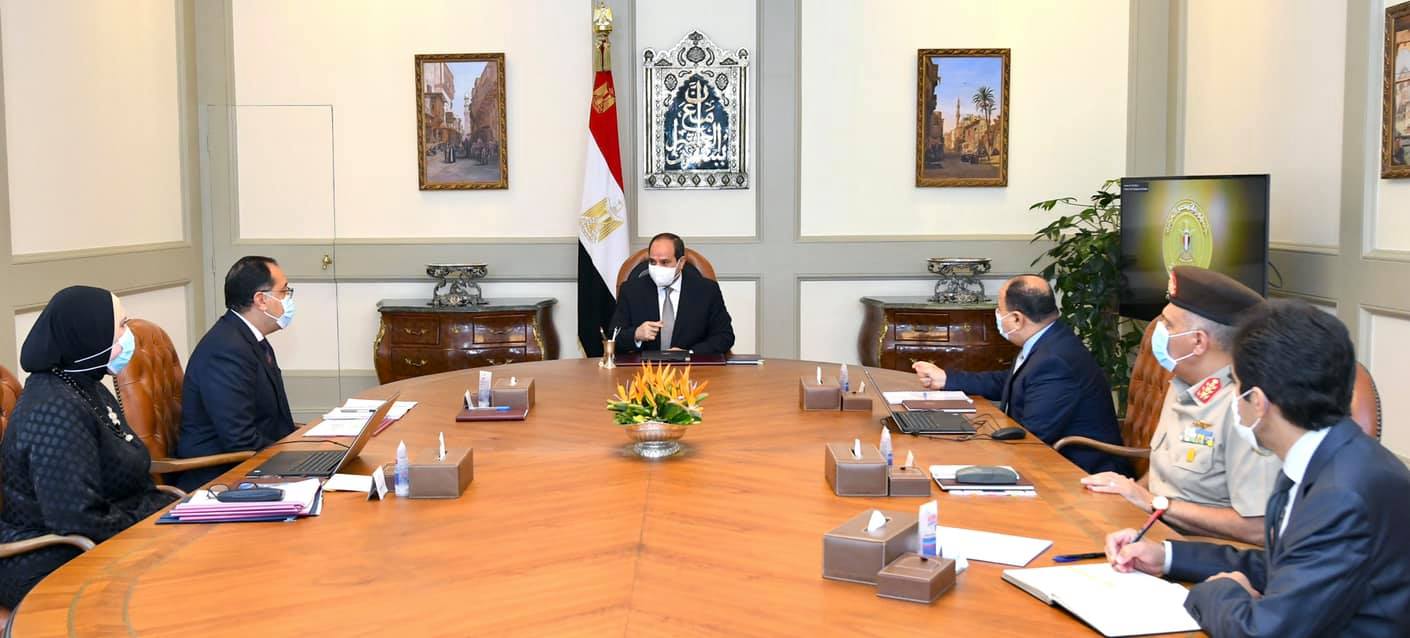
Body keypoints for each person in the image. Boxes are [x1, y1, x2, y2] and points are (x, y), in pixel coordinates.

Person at [1106, 300, 1410, 637]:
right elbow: (1285, 565)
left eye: (1235, 384)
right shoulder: (1321, 455)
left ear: (1258, 402)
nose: (1232, 398)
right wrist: (1166, 556)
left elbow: (1264, 631)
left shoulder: (1341, 494)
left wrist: (1219, 590)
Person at [0, 286, 177, 609]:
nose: (128, 335)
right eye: (121, 325)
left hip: (106, 538)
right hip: (54, 558)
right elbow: (76, 517)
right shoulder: (53, 407)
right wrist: (148, 523)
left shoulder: (84, 383)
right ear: (89, 333)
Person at [1083, 266, 1280, 545]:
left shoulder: (1246, 408)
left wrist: (1154, 503)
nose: (1157, 331)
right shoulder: (1182, 383)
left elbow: (1260, 529)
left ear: (1198, 341)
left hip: (1207, 557)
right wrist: (1125, 495)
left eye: (1168, 325)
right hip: (1155, 538)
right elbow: (1164, 477)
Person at [912, 275, 1129, 475]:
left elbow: (1031, 437)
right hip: (1050, 460)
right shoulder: (1049, 339)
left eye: (999, 310)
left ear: (1017, 319)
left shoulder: (1055, 361)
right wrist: (947, 379)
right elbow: (1010, 380)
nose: (998, 316)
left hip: (1080, 474)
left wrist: (970, 445)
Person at [174, 256, 297, 491]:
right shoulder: (226, 349)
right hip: (221, 477)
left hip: (256, 463)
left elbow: (273, 421)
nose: (288, 300)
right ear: (261, 300)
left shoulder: (249, 338)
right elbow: (240, 439)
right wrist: (293, 459)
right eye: (284, 292)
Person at [611, 233, 734, 355]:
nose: (657, 268)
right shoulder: (631, 290)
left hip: (691, 365)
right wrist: (636, 335)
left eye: (664, 262)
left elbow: (724, 336)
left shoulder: (706, 290)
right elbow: (613, 336)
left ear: (681, 262)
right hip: (645, 366)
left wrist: (690, 353)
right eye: (653, 262)